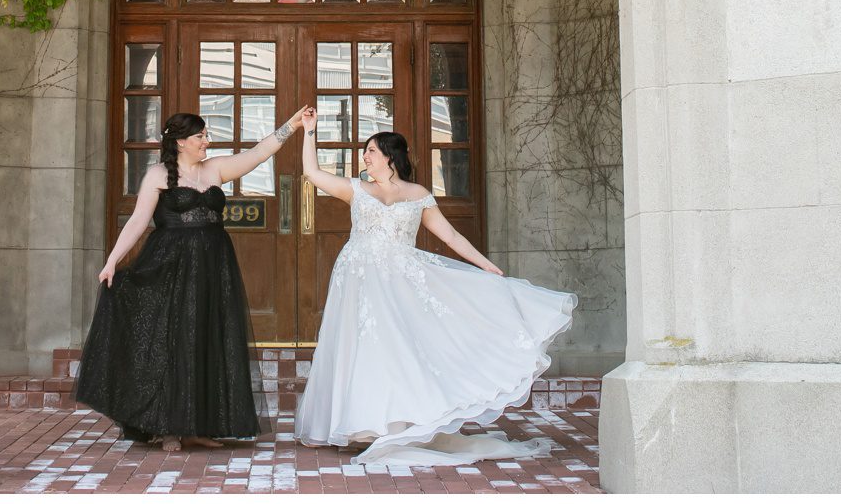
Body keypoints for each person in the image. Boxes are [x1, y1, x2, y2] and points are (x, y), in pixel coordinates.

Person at [292, 114, 577, 465]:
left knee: (398, 349)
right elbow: (312, 174)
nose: (364, 157)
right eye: (365, 152)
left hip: (400, 283)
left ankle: (393, 423)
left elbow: (451, 236)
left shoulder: (419, 196)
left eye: (370, 151)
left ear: (389, 157)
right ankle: (358, 427)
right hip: (357, 281)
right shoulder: (356, 189)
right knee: (357, 347)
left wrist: (484, 265)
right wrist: (309, 133)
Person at [76, 106, 311, 449]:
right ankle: (169, 426)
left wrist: (292, 125)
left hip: (214, 265)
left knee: (206, 338)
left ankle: (198, 427)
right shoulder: (158, 175)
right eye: (200, 136)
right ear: (181, 142)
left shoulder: (215, 168)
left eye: (205, 135)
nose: (206, 141)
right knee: (174, 340)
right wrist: (112, 261)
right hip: (170, 266)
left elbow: (259, 154)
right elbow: (139, 220)